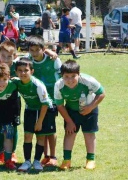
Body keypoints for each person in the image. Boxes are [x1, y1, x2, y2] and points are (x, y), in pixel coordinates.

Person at [55, 60, 105, 170]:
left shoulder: (88, 80)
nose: (70, 80)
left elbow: (101, 93)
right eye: (66, 76)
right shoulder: (58, 85)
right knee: (69, 133)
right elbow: (60, 106)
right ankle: (66, 160)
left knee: (89, 134)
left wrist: (90, 107)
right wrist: (69, 121)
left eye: (73, 76)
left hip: (90, 110)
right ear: (61, 76)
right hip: (71, 112)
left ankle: (90, 160)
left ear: (79, 74)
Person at [13, 58, 54, 172]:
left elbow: (45, 104)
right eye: (20, 70)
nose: (23, 73)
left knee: (40, 136)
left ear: (32, 71)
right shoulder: (16, 82)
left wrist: (40, 121)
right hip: (30, 110)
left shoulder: (38, 85)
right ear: (16, 72)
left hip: (44, 110)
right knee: (27, 136)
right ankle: (27, 161)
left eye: (26, 70)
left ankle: (37, 161)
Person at [27, 36, 62, 167]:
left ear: (43, 49)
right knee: (41, 130)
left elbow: (61, 76)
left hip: (51, 100)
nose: (35, 53)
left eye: (38, 50)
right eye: (32, 50)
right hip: (36, 101)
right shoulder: (28, 60)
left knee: (50, 129)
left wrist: (51, 52)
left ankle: (53, 156)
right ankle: (45, 156)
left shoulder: (53, 60)